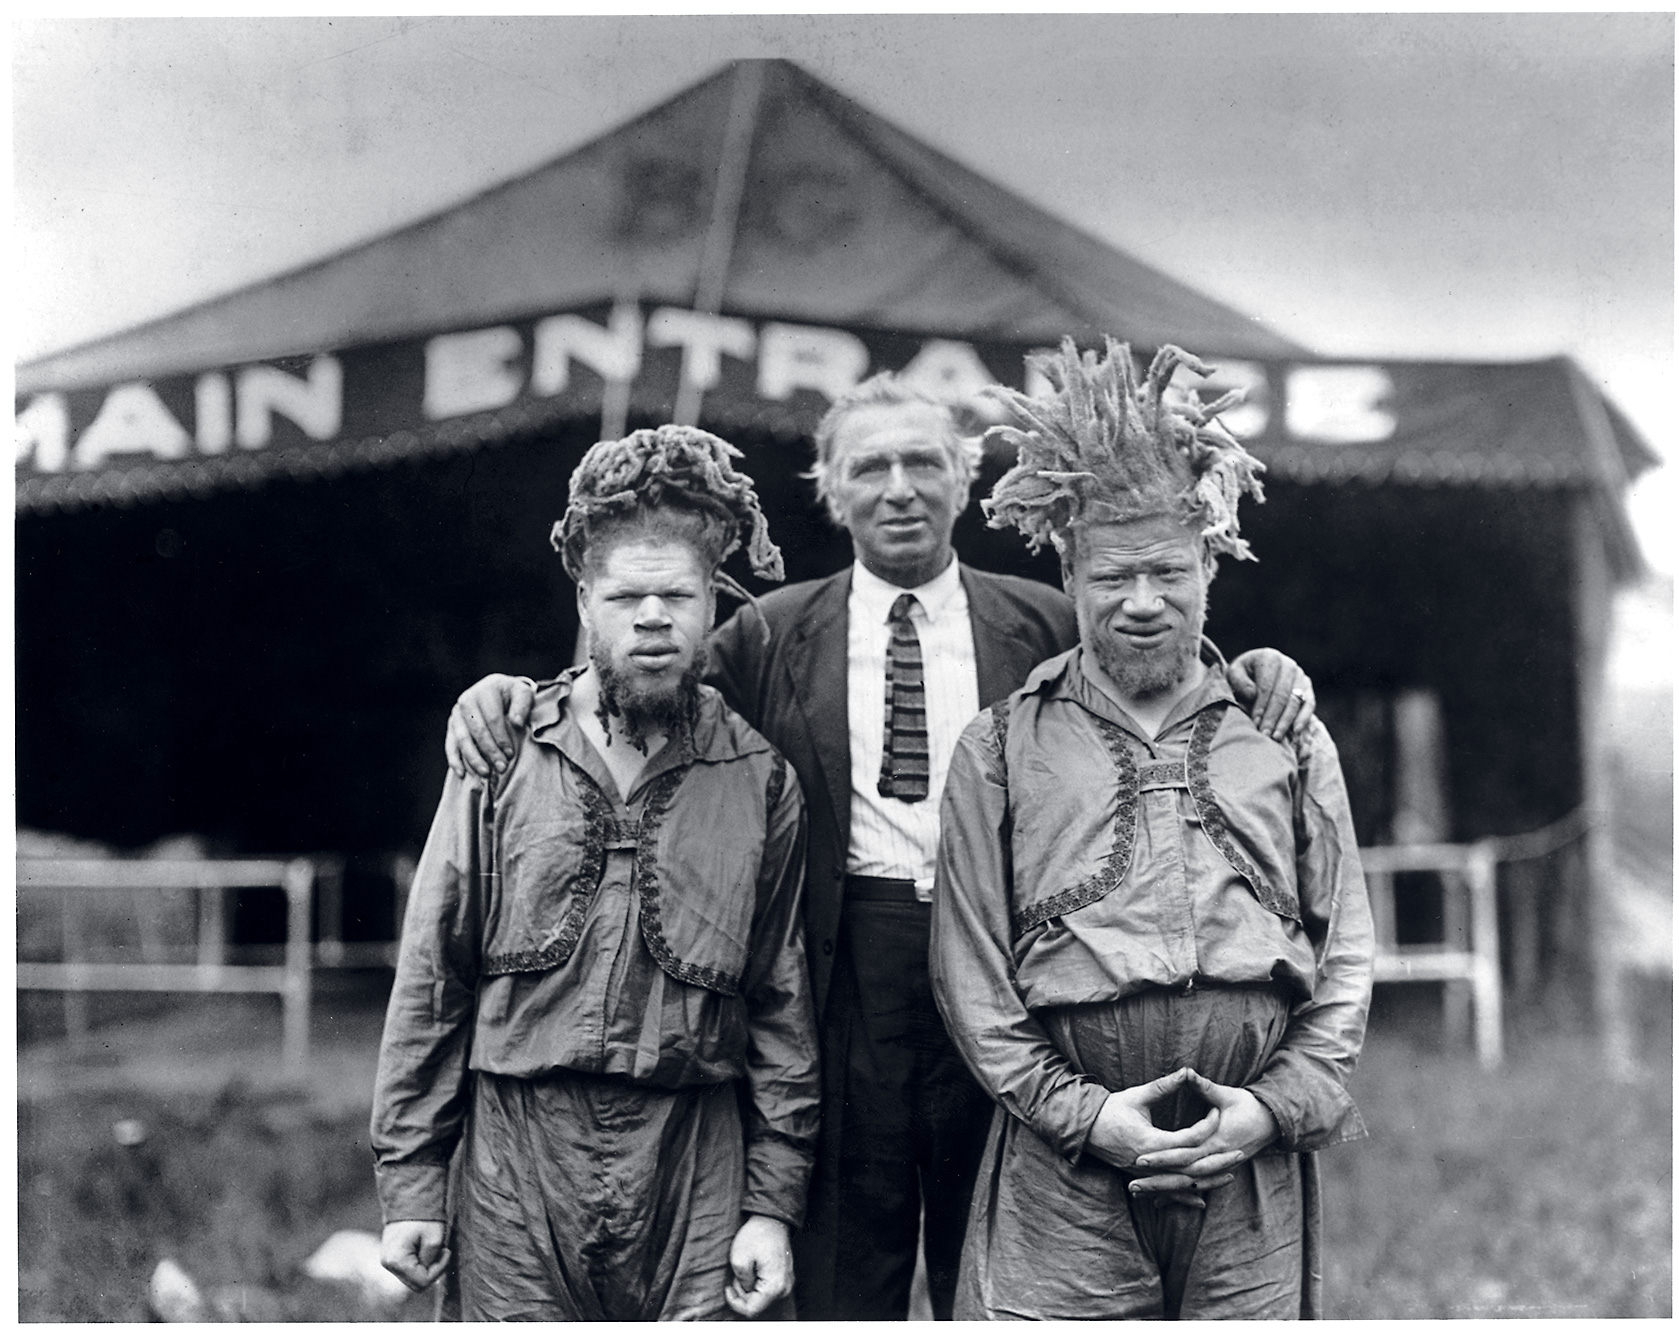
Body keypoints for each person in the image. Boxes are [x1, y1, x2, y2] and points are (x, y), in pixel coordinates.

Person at [443, 374, 1318, 1319]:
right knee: (842, 1262)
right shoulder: (770, 633)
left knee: (990, 1237)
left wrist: (1262, 669)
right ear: (830, 487)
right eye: (870, 466)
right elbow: (651, 672)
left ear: (964, 475)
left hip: (1008, 965)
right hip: (842, 968)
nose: (898, 487)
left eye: (923, 462)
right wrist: (515, 693)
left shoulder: (1040, 620)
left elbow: (1154, 659)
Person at [930, 338, 1375, 1320]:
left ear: (1211, 559)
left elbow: (1343, 956)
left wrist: (1271, 1107)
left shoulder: (1282, 731)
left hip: (1247, 1174)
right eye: (1109, 576)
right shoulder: (997, 748)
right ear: (1068, 569)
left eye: (1167, 572)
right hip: (1062, 1175)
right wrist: (1086, 1116)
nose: (1139, 603)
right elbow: (969, 978)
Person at [370, 425, 819, 1322]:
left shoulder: (761, 778)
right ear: (584, 598)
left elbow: (781, 1003)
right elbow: (432, 975)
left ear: (712, 604)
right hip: (516, 1163)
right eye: (626, 596)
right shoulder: (499, 755)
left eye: (676, 596)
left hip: (693, 1162)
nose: (652, 618)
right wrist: (414, 1179)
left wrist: (770, 1202)